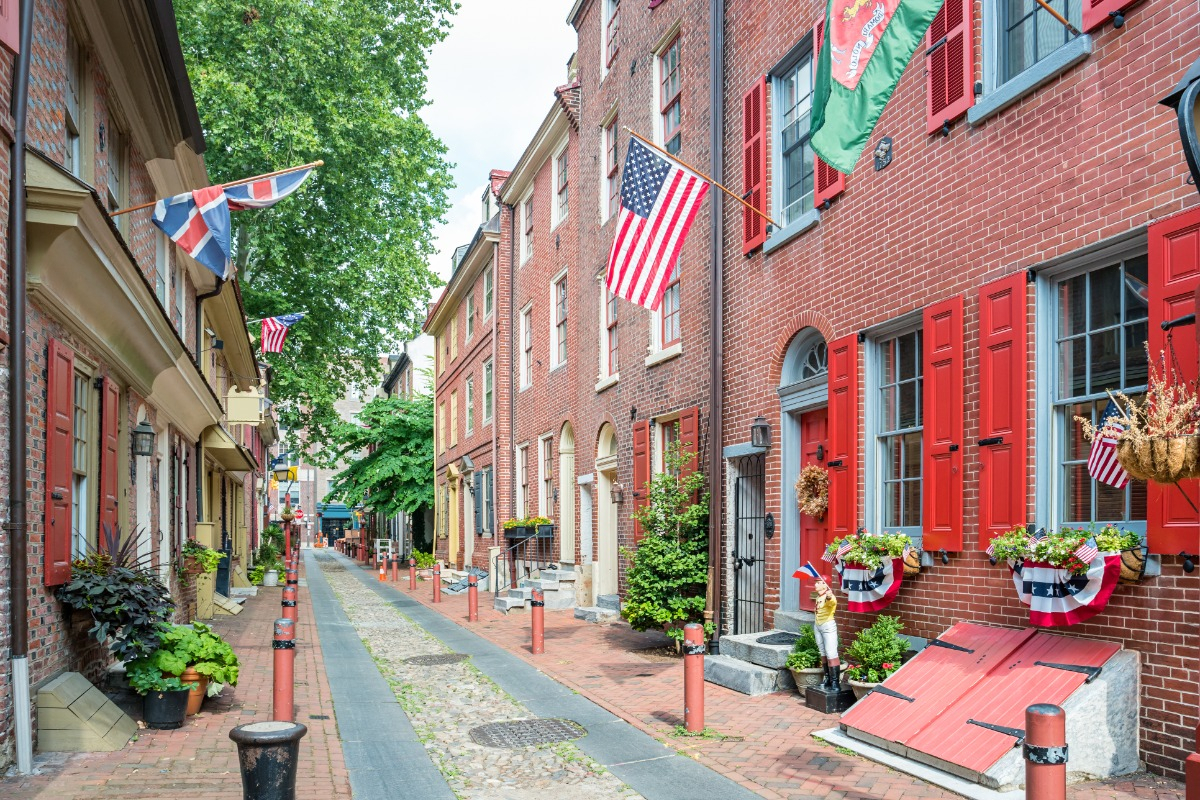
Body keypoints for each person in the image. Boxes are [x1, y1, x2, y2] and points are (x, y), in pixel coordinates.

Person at [813, 577, 841, 689]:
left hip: (827, 626)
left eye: (819, 583)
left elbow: (831, 601)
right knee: (822, 652)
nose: (816, 585)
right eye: (816, 582)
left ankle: (835, 681)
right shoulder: (818, 597)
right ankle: (827, 678)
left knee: (831, 652)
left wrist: (829, 596)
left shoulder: (829, 597)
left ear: (825, 585)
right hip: (818, 625)